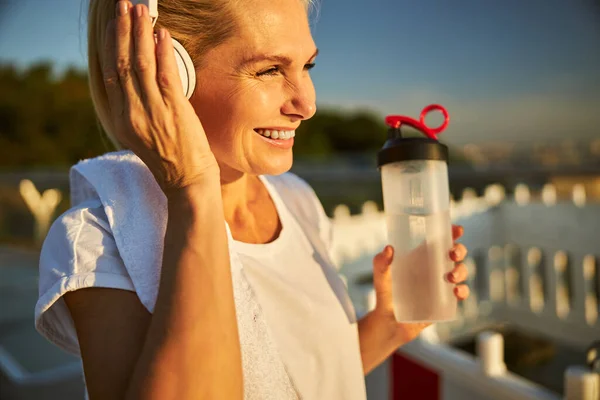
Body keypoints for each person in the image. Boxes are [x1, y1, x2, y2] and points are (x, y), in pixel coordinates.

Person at [34, 0, 470, 399]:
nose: (307, 104)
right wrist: (193, 189)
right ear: (165, 71)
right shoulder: (97, 243)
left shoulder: (295, 201)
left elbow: (301, 384)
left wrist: (389, 327)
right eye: (269, 70)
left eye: (307, 66)